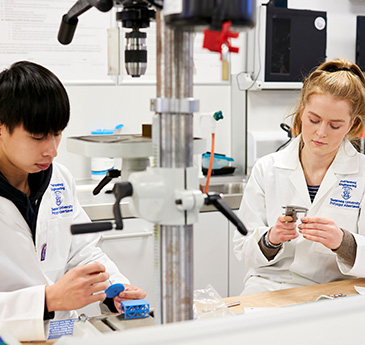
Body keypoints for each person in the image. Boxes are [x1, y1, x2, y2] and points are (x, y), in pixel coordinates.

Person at [0, 61, 146, 340]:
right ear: (1, 128)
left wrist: (115, 289)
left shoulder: (58, 179)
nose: (52, 150)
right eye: (38, 137)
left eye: (57, 134)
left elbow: (83, 252)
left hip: (62, 330)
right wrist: (47, 299)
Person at [233, 58, 365, 295]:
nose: (321, 132)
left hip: (334, 291)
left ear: (352, 124)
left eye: (335, 125)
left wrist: (342, 241)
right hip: (269, 287)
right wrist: (271, 239)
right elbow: (243, 248)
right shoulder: (267, 169)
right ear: (302, 111)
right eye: (314, 120)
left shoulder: (362, 174)